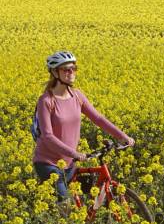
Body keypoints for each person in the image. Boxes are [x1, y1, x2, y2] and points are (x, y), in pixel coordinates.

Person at [33, 51, 135, 205]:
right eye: (66, 69)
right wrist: (74, 153)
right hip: (49, 163)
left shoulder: (77, 96)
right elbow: (47, 136)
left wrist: (122, 136)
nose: (71, 72)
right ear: (55, 72)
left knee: (88, 198)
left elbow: (98, 118)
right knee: (66, 206)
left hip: (70, 163)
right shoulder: (46, 101)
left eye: (73, 68)